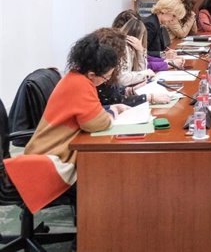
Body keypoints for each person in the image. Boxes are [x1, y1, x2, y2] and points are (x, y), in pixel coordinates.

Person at [3, 30, 129, 213]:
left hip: (46, 149)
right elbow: (96, 123)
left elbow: (89, 114)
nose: (106, 81)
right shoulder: (80, 86)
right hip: (51, 159)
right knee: (100, 180)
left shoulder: (75, 77)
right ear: (93, 74)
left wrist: (110, 110)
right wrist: (112, 113)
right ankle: (90, 233)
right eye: (106, 78)